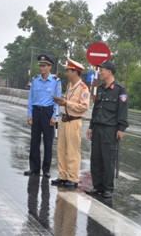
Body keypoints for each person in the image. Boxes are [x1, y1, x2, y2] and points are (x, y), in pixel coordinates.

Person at [85, 60, 129, 198]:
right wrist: (91, 126)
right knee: (96, 158)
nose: (100, 73)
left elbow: (123, 110)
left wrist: (121, 128)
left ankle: (108, 188)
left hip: (110, 130)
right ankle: (97, 186)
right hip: (97, 128)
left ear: (109, 71)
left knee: (108, 159)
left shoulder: (120, 90)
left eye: (102, 70)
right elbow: (96, 110)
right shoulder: (101, 89)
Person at [51, 58, 90, 190]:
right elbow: (67, 100)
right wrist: (61, 101)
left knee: (73, 150)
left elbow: (84, 106)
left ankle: (73, 178)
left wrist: (67, 103)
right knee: (62, 148)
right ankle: (63, 176)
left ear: (75, 72)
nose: (66, 73)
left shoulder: (83, 88)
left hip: (74, 121)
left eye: (69, 70)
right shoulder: (69, 86)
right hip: (64, 120)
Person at [25, 55, 62, 178]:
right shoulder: (35, 80)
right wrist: (30, 114)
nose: (41, 68)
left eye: (44, 65)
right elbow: (31, 98)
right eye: (40, 65)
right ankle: (34, 168)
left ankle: (46, 169)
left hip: (48, 113)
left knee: (48, 141)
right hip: (36, 111)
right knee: (34, 141)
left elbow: (58, 100)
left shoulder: (56, 81)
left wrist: (54, 116)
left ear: (50, 67)